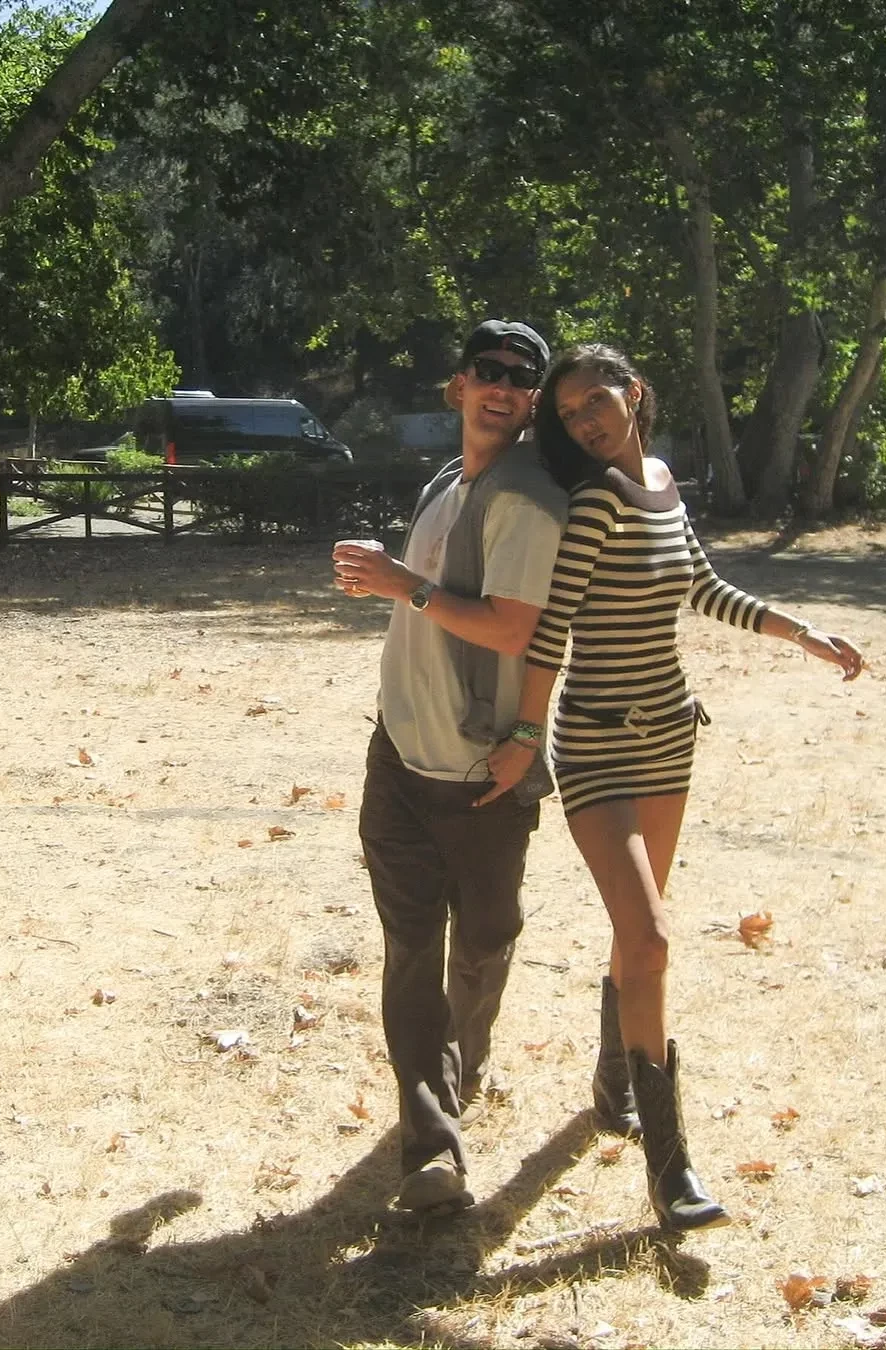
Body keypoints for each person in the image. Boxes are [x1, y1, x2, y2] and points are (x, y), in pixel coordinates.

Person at [477, 343, 863, 1232]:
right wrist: (527, 737)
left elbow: (703, 587)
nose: (585, 420)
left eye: (595, 400)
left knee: (636, 931)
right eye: (568, 413)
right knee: (650, 934)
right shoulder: (595, 502)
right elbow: (552, 632)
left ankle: (615, 1078)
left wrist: (799, 632)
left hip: (669, 743)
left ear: (634, 392)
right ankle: (669, 1164)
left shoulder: (660, 482)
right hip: (599, 747)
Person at [332, 320, 570, 1214]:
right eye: (488, 370)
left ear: (533, 401)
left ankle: (463, 1062)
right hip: (398, 755)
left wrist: (404, 584)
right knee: (409, 948)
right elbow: (430, 605)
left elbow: (513, 629)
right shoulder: (446, 482)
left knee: (484, 939)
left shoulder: (527, 501)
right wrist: (391, 583)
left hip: (480, 772)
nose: (502, 386)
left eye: (521, 377)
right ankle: (430, 1147)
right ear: (459, 384)